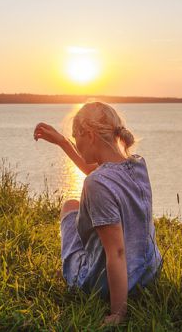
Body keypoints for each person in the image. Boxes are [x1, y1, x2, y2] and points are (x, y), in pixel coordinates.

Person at [33, 101, 162, 326]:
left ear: (90, 135)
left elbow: (117, 252)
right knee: (75, 205)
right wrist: (63, 143)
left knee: (69, 209)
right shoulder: (138, 164)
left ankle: (72, 269)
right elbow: (92, 168)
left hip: (103, 284)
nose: (75, 142)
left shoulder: (97, 184)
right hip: (148, 271)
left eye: (75, 137)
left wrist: (118, 313)